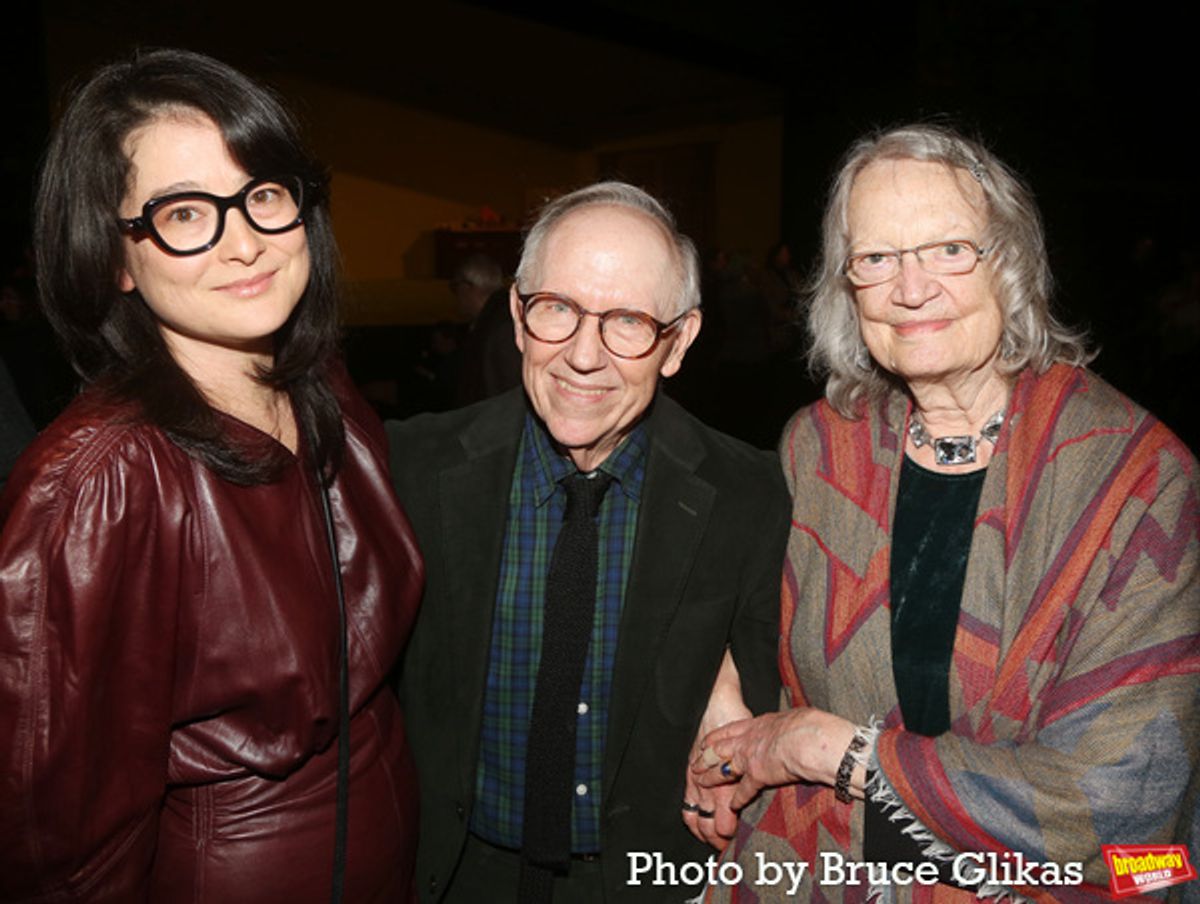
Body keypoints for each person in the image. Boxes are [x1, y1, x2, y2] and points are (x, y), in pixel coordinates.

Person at [692, 124, 1200, 901]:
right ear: (845, 284)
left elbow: (1121, 806)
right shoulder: (819, 449)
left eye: (948, 249)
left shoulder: (1135, 477)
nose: (910, 287)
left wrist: (833, 751)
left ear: (1012, 265)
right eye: (877, 258)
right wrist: (720, 701)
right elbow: (743, 617)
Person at [0, 49, 423, 902]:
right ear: (116, 258)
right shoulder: (100, 480)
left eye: (264, 194)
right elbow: (58, 839)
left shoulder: (325, 393)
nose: (245, 241)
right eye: (185, 213)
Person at [389, 181, 789, 903]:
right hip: (447, 878)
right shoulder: (408, 471)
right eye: (558, 310)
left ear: (679, 342)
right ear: (516, 315)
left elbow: (777, 711)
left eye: (629, 322)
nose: (583, 355)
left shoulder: (751, 499)